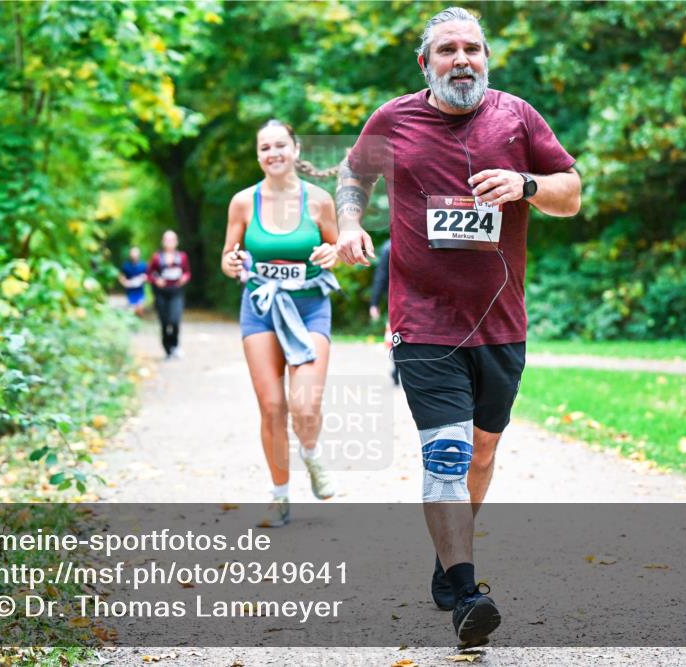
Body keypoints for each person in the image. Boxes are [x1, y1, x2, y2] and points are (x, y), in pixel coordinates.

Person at [335, 7, 581, 647]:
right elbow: (354, 174)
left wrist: (525, 185)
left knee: (482, 451)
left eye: (473, 48)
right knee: (445, 452)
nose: (462, 59)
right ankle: (468, 594)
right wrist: (351, 223)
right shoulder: (394, 119)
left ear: (486, 59)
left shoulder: (517, 117)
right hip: (422, 322)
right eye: (447, 49)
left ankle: (449, 555)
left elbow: (571, 192)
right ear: (426, 63)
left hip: (501, 323)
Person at [221, 119, 341, 527]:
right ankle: (280, 496)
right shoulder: (243, 202)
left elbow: (337, 248)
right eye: (265, 148)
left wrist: (331, 254)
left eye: (280, 145)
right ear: (258, 156)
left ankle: (310, 452)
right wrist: (232, 262)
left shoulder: (319, 200)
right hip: (261, 307)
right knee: (272, 406)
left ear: (296, 149)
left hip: (309, 307)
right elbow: (228, 256)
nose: (273, 153)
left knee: (305, 406)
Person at [148, 230, 191, 359]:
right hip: (161, 294)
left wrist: (184, 278)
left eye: (172, 240)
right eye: (167, 240)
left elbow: (187, 272)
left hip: (176, 292)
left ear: (176, 242)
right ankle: (167, 350)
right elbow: (149, 274)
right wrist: (157, 280)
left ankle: (175, 346)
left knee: (175, 320)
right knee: (164, 322)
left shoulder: (182, 257)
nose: (170, 242)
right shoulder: (157, 257)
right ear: (163, 242)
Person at [368, 238, 399, 385]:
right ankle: (398, 368)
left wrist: (374, 303)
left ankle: (397, 369)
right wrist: (374, 303)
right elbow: (381, 276)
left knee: (398, 335)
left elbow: (380, 276)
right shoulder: (389, 247)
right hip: (398, 300)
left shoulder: (389, 246)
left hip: (396, 300)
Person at [119, 246, 149, 316]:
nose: (134, 254)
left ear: (139, 254)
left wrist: (144, 278)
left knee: (140, 310)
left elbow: (148, 277)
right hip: (130, 292)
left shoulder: (143, 265)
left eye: (136, 252)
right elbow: (121, 277)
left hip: (140, 292)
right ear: (130, 254)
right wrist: (126, 283)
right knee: (132, 311)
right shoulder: (126, 266)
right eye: (132, 252)